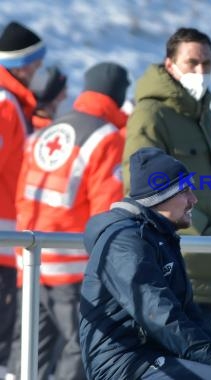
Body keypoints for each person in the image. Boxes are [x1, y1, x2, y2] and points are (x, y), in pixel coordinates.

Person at [80, 147, 211, 380]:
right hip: (123, 363)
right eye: (184, 191)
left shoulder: (160, 236)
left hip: (153, 354)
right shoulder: (124, 241)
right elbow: (160, 317)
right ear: (158, 197)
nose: (194, 199)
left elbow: (191, 320)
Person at [6, 62, 130, 380]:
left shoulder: (46, 131)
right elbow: (106, 211)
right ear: (117, 96)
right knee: (84, 346)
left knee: (29, 351)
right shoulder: (107, 137)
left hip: (32, 261)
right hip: (73, 268)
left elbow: (22, 194)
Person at [122, 27, 211, 329]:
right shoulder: (152, 114)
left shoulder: (205, 117)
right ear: (170, 64)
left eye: (206, 64)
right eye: (192, 63)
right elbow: (142, 187)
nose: (200, 71)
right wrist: (202, 236)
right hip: (180, 263)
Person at [0, 20, 46, 369]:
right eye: (37, 62)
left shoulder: (16, 103)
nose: (40, 70)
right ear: (22, 65)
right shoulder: (5, 104)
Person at [29, 65, 68, 130]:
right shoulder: (47, 129)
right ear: (55, 95)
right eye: (63, 91)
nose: (65, 96)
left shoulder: (26, 118)